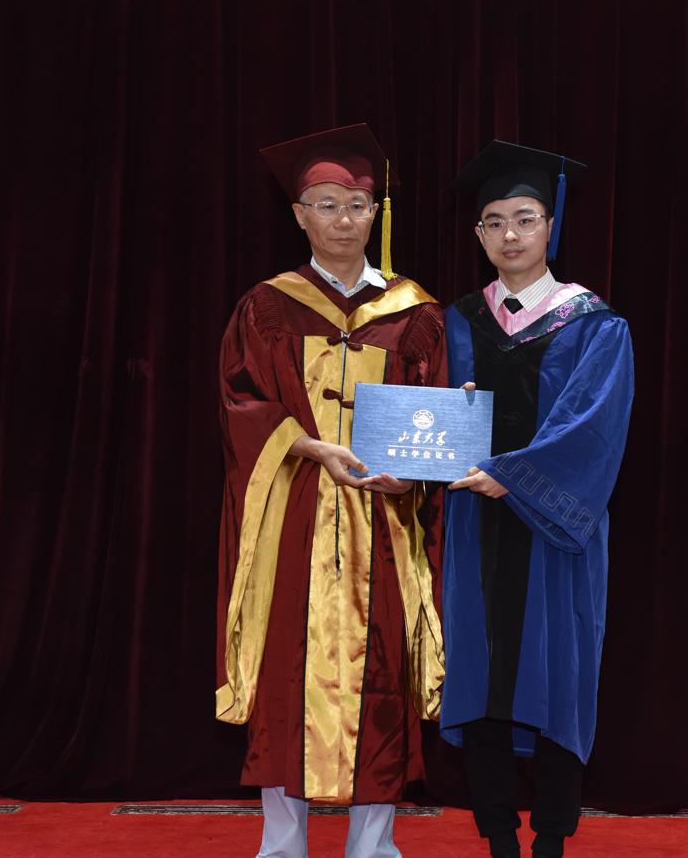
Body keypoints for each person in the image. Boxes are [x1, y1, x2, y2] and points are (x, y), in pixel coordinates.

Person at [215, 124, 447, 858]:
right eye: (326, 204)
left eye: (356, 205)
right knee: (285, 674)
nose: (343, 219)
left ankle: (372, 847)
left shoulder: (414, 312)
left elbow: (435, 413)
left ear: (375, 214)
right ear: (299, 215)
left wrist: (415, 469)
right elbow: (240, 401)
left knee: (382, 676)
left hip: (383, 516)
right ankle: (281, 845)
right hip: (296, 513)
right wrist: (311, 446)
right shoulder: (267, 307)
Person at [440, 141, 635, 858]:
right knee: (480, 673)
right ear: (478, 234)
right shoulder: (457, 321)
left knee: (558, 675)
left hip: (555, 528)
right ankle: (497, 836)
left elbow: (594, 428)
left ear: (550, 225)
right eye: (493, 222)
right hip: (474, 525)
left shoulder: (593, 324)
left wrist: (514, 477)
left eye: (525, 218)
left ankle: (551, 838)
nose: (510, 235)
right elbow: (426, 420)